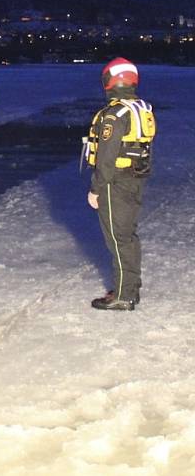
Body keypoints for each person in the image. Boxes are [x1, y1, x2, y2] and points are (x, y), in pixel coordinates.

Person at [84, 57, 156, 311]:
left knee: (118, 238)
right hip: (133, 179)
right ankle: (128, 289)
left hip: (116, 183)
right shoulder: (140, 108)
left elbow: (106, 158)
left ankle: (124, 296)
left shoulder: (114, 114)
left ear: (110, 80)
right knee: (126, 236)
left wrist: (96, 188)